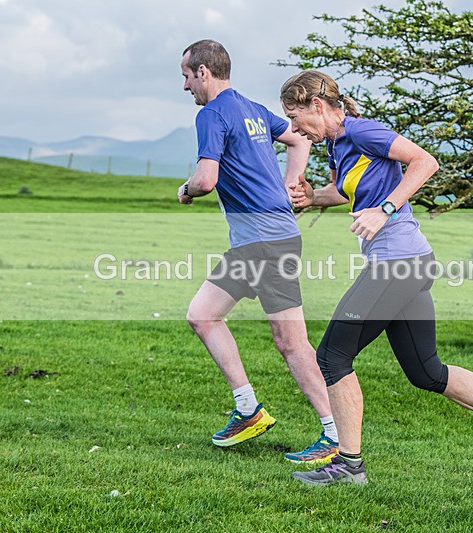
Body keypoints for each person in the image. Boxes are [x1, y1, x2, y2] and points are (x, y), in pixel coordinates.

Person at [280, 70, 473, 486]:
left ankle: (349, 466)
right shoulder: (337, 143)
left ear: (318, 105)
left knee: (332, 355)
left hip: (397, 262)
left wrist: (384, 209)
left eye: (296, 118)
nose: (295, 129)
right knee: (427, 372)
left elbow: (426, 162)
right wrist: (316, 197)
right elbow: (349, 191)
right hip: (409, 262)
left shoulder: (364, 131)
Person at [177, 41, 337, 464]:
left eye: (187, 76)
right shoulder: (252, 108)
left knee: (292, 343)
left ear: (204, 73)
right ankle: (248, 408)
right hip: (260, 242)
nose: (186, 86)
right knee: (203, 314)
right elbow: (299, 142)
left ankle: (335, 434)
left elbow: (206, 179)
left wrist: (186, 189)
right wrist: (292, 182)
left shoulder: (210, 114)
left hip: (265, 242)